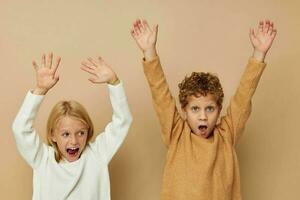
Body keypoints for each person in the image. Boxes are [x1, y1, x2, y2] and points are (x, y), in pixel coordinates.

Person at [131, 19, 276, 200]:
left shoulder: (227, 134)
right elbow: (160, 93)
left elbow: (244, 97)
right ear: (184, 110)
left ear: (219, 109)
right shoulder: (176, 133)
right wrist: (149, 52)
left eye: (209, 109)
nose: (203, 117)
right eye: (195, 109)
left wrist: (259, 54)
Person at [12, 53, 132, 200]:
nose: (74, 141)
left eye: (80, 133)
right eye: (65, 134)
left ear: (88, 131)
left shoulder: (98, 154)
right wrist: (40, 91)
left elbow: (123, 120)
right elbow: (20, 129)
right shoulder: (43, 159)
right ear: (52, 135)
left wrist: (114, 82)